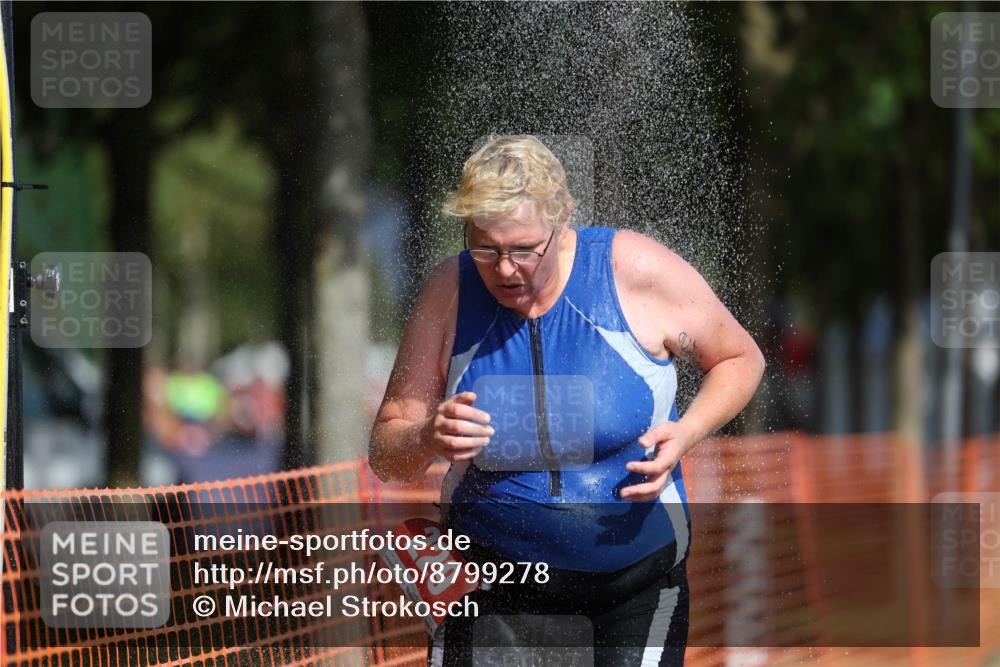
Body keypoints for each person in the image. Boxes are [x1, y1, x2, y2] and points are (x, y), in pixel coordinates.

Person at [369, 135, 764, 666]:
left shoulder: (633, 271)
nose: (504, 269)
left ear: (564, 220)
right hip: (493, 586)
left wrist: (687, 432)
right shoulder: (451, 291)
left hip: (634, 585)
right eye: (485, 248)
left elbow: (740, 359)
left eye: (524, 250)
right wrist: (425, 435)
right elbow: (386, 455)